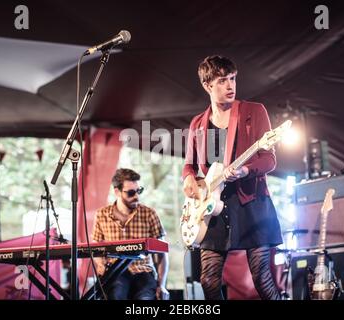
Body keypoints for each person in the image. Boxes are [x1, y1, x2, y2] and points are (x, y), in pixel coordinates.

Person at [182, 55, 283, 300]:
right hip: (213, 206)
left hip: (251, 203)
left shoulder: (254, 111)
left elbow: (269, 159)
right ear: (207, 85)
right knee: (208, 279)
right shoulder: (198, 123)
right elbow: (189, 166)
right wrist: (188, 180)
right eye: (222, 81)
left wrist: (246, 170)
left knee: (261, 277)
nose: (231, 86)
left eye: (233, 79)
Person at [92, 168, 169, 300]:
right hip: (115, 272)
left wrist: (161, 285)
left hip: (143, 271)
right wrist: (100, 264)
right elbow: (96, 248)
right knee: (116, 295)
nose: (136, 196)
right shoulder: (101, 215)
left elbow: (162, 254)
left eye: (139, 191)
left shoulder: (149, 214)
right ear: (117, 192)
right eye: (131, 193)